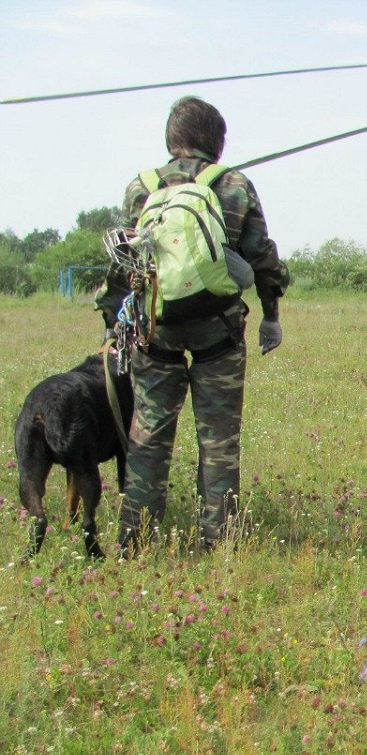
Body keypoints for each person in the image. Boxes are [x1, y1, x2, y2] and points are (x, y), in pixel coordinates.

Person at [94, 96, 290, 552]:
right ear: (216, 142)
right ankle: (219, 542)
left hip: (154, 329)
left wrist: (112, 323)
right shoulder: (234, 185)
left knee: (149, 435)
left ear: (172, 138)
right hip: (218, 330)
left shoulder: (139, 188)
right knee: (218, 441)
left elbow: (123, 263)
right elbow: (263, 257)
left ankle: (135, 541)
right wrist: (271, 316)